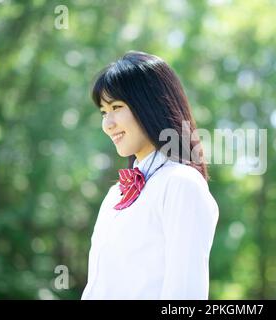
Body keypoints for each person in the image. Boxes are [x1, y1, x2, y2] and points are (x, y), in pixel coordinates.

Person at [81, 51, 219, 300]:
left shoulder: (180, 184)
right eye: (103, 112)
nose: (107, 123)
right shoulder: (115, 194)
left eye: (116, 107)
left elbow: (185, 297)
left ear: (150, 104)